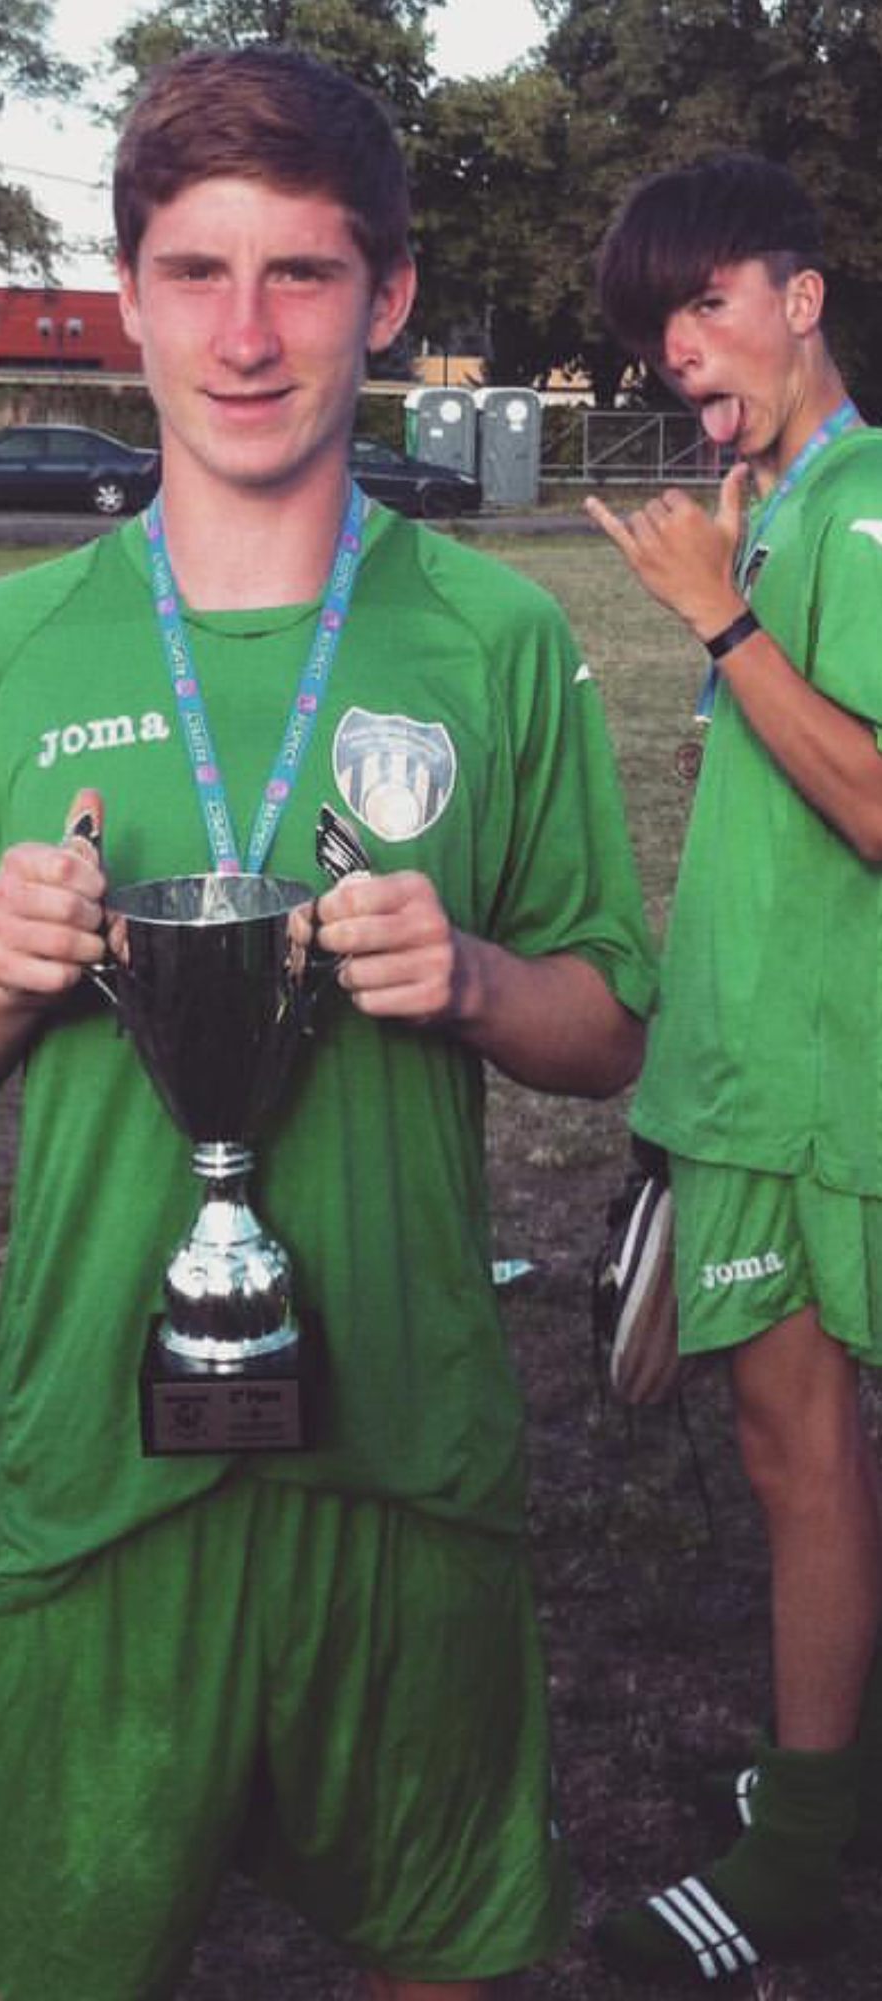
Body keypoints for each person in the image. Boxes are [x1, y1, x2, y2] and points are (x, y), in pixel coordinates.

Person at [0, 46, 655, 2001]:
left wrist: (472, 979)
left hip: (404, 1464)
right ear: (128, 296)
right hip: (90, 1472)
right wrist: (5, 970)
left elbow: (608, 1024)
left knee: (441, 1957)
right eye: (195, 272)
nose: (243, 333)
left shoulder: (497, 637)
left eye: (300, 272)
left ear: (386, 297)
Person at [585, 151, 882, 1985]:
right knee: (795, 1457)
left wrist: (720, 620)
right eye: (658, 328)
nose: (682, 350)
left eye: (706, 303)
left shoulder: (862, 506)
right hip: (754, 1084)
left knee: (811, 1458)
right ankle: (814, 1797)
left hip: (839, 1097)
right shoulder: (774, 506)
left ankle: (803, 1853)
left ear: (801, 297)